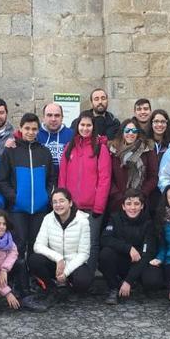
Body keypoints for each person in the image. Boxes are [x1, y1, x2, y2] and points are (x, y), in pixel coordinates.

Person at [0, 113, 56, 297]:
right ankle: (17, 281)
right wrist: (15, 198)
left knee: (37, 246)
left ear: (39, 130)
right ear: (20, 129)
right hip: (17, 209)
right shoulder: (11, 151)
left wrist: (46, 197)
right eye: (27, 128)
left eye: (34, 129)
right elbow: (2, 180)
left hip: (40, 209)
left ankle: (34, 280)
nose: (31, 132)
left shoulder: (44, 152)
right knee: (18, 245)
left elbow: (52, 179)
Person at [58, 112, 112, 275]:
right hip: (71, 207)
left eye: (89, 125)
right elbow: (63, 176)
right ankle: (70, 274)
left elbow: (105, 178)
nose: (85, 128)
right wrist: (62, 203)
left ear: (93, 127)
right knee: (70, 242)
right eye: (82, 125)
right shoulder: (70, 147)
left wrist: (99, 206)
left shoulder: (100, 148)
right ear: (77, 126)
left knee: (91, 242)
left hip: (91, 206)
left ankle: (87, 275)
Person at [27, 188, 92, 309]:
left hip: (73, 263)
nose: (58, 205)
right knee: (34, 259)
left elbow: (84, 254)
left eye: (62, 201)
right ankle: (52, 288)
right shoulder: (48, 219)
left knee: (83, 280)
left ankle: (70, 288)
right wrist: (58, 258)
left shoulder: (82, 221)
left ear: (70, 203)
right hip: (55, 263)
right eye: (55, 202)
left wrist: (66, 272)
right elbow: (38, 245)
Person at [99, 189, 160, 305]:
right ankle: (113, 288)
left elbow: (147, 253)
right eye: (129, 204)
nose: (133, 208)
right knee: (105, 254)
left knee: (153, 281)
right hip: (121, 260)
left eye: (137, 204)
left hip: (139, 261)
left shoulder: (148, 223)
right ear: (123, 206)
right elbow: (105, 239)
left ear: (142, 206)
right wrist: (129, 248)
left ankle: (134, 283)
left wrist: (129, 280)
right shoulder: (115, 218)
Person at [108, 118, 159, 213]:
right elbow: (108, 177)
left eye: (134, 131)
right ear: (122, 132)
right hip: (118, 202)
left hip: (140, 202)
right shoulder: (113, 151)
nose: (130, 133)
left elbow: (153, 176)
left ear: (138, 133)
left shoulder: (147, 150)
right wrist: (119, 196)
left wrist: (141, 194)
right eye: (127, 130)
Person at [37, 102, 74, 182]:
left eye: (57, 115)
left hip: (66, 183)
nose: (53, 119)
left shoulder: (72, 135)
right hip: (42, 182)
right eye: (49, 115)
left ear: (62, 117)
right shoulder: (36, 134)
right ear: (43, 117)